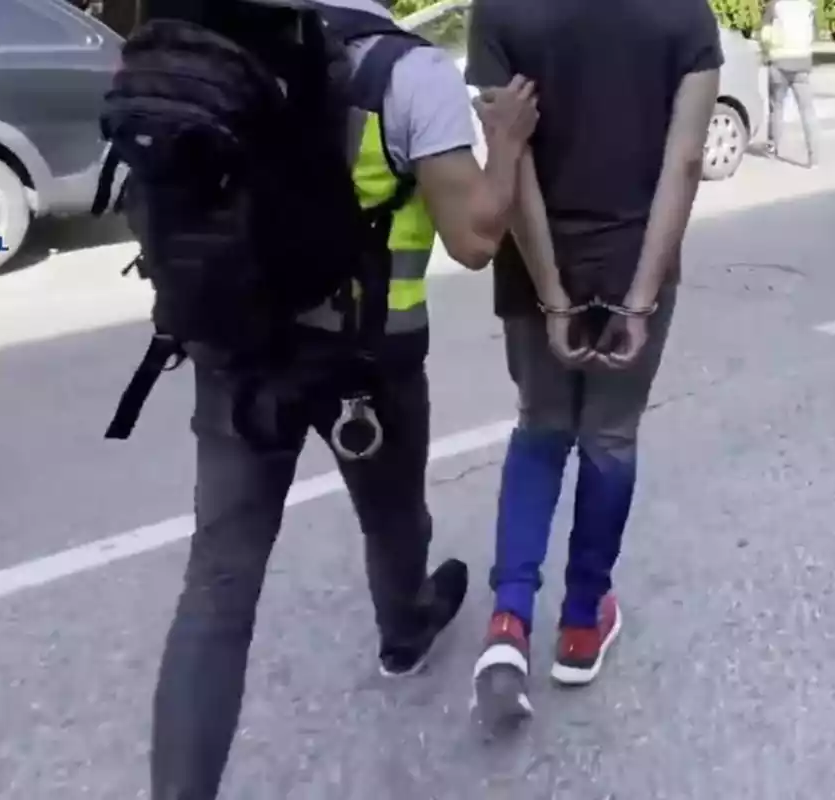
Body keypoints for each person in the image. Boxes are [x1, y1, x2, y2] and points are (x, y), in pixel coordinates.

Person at [143, 0, 539, 795]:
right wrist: (506, 145)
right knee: (394, 518)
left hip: (237, 348)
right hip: (369, 359)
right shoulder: (411, 72)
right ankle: (403, 631)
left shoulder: (213, 51)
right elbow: (473, 241)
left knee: (219, 585)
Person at [464, 0, 722, 729]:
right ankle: (580, 625)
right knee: (609, 437)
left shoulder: (501, 8)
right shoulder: (685, 13)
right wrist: (639, 299)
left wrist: (550, 294)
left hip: (534, 263)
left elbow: (511, 161)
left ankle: (509, 623)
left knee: (540, 428)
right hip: (634, 256)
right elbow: (687, 160)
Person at [761, 0, 821, 167]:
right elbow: (815, 33)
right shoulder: (808, 5)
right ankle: (813, 156)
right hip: (802, 63)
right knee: (807, 110)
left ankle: (773, 147)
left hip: (779, 63)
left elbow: (765, 35)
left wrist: (769, 47)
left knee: (776, 107)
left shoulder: (775, 5)